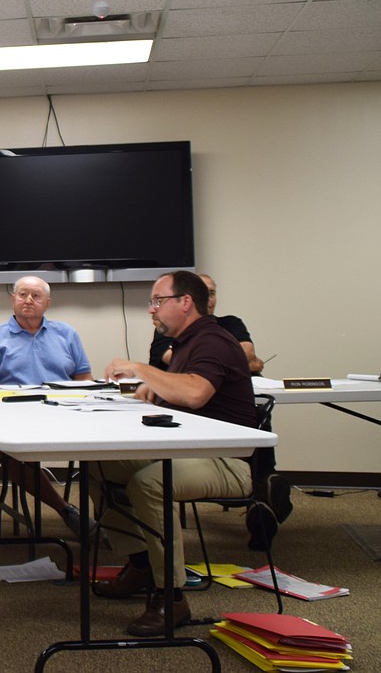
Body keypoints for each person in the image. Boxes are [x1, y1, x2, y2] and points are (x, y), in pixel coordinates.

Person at [92, 270, 265, 637]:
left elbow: (195, 393)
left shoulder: (215, 340)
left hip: (228, 460)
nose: (152, 310)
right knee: (100, 463)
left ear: (185, 302)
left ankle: (170, 598)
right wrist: (154, 386)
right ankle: (141, 565)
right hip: (189, 448)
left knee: (150, 484)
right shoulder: (187, 342)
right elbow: (181, 390)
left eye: (158, 301)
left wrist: (142, 369)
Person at [0, 276, 93, 537]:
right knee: (9, 453)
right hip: (14, 417)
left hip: (64, 414)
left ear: (47, 304)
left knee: (102, 448)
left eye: (36, 296)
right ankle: (66, 510)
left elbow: (84, 379)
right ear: (12, 300)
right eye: (22, 294)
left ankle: (114, 523)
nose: (29, 300)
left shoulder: (67, 333)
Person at [150, 273, 265, 375]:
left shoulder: (229, 324)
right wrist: (247, 366)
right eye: (203, 294)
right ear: (186, 301)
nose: (207, 299)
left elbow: (247, 352)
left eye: (211, 293)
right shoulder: (168, 327)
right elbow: (177, 359)